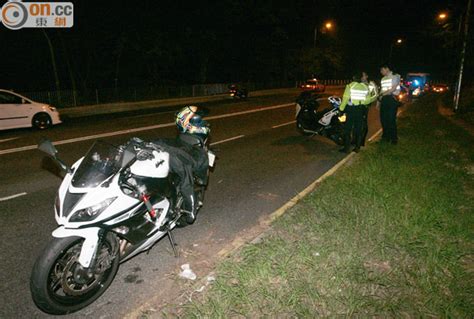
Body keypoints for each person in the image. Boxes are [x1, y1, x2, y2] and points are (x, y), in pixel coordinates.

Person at [339, 73, 378, 153]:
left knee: (348, 129)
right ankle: (357, 148)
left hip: (351, 110)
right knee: (358, 129)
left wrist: (341, 109)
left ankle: (346, 148)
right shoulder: (365, 87)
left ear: (353, 77)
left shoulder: (350, 86)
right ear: (360, 78)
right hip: (360, 110)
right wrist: (362, 102)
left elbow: (345, 99)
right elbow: (368, 99)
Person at [377, 64, 401, 144]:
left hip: (392, 99)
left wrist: (382, 95)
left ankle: (394, 138)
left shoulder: (395, 76)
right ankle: (385, 137)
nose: (381, 72)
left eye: (382, 70)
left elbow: (393, 88)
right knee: (383, 119)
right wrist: (378, 101)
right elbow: (381, 90)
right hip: (384, 99)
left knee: (391, 119)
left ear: (387, 69)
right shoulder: (383, 79)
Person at [360, 72, 378, 146]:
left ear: (367, 76)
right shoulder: (358, 83)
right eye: (361, 76)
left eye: (363, 76)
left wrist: (368, 101)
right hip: (357, 105)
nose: (362, 77)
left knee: (363, 123)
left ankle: (362, 141)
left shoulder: (371, 84)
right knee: (357, 123)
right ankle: (355, 140)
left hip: (365, 106)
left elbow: (375, 95)